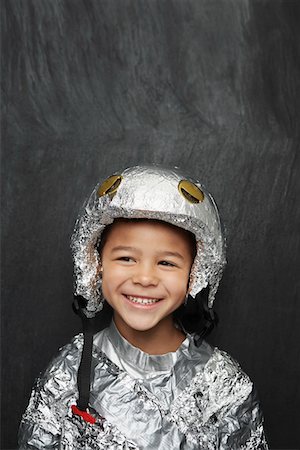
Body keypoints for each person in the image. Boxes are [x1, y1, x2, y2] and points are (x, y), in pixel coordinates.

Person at [18, 165, 268, 449]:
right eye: (126, 258)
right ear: (95, 264)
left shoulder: (226, 388)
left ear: (196, 274)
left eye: (166, 263)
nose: (145, 278)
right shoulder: (66, 375)